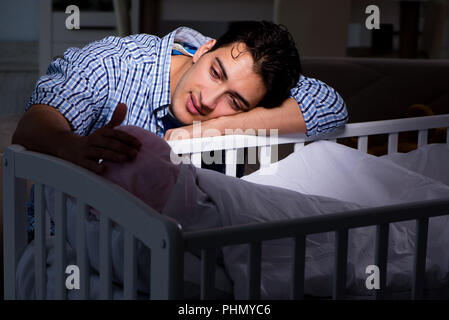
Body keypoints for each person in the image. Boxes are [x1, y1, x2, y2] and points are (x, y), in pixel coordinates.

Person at [12, 21, 348, 174]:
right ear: (204, 48)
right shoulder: (114, 64)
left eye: (234, 101)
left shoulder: (256, 82)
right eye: (216, 72)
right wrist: (71, 145)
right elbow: (33, 125)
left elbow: (329, 105)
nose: (208, 100)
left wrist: (210, 130)